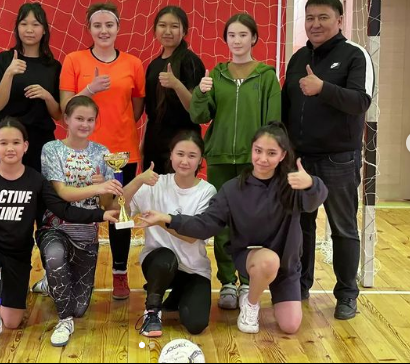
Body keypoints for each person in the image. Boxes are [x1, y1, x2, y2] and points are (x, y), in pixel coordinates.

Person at [140, 122, 328, 334]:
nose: (263, 158)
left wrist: (311, 183)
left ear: (282, 155)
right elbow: (204, 225)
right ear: (252, 150)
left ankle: (266, 293)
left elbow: (314, 201)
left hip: (287, 266)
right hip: (252, 258)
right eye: (258, 151)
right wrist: (167, 218)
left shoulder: (292, 184)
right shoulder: (232, 189)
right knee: (268, 260)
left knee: (290, 326)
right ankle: (251, 304)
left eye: (271, 153)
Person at [0, 117, 118, 346]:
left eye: (16, 142)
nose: (10, 148)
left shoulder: (36, 180)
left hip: (18, 252)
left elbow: (63, 210)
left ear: (25, 146)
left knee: (13, 322)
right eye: (3, 143)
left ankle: (1, 283)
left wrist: (101, 215)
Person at [282, 0, 374, 320]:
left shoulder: (355, 55)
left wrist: (323, 88)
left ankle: (347, 294)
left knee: (343, 228)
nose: (315, 24)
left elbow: (361, 102)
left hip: (339, 161)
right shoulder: (298, 58)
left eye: (323, 17)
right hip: (301, 160)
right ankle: (300, 286)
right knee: (301, 227)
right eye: (310, 18)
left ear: (339, 20)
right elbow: (287, 107)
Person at [190, 13, 281, 310]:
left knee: (251, 222)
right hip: (218, 159)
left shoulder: (266, 76)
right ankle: (228, 281)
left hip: (253, 162)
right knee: (222, 222)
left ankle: (248, 280)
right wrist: (200, 93)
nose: (237, 40)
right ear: (226, 39)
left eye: (243, 35)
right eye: (232, 35)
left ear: (253, 38)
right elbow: (199, 115)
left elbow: (273, 123)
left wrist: (265, 158)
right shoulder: (216, 75)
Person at [59, 2, 145, 300]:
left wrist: (115, 129)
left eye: (109, 25)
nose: (104, 30)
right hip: (82, 152)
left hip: (122, 154)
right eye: (97, 25)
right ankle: (77, 272)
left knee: (119, 215)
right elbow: (65, 108)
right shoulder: (74, 60)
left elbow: (136, 109)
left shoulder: (133, 63)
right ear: (89, 29)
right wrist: (90, 90)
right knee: (80, 213)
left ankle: (120, 273)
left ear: (118, 28)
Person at [34, 96, 124, 347]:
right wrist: (96, 188)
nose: (85, 124)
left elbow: (106, 204)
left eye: (90, 119)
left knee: (80, 307)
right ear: (66, 119)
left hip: (86, 233)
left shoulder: (102, 153)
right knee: (55, 257)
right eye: (79, 118)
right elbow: (62, 193)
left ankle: (51, 283)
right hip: (55, 226)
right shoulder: (51, 149)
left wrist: (105, 188)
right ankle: (64, 321)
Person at [119, 130, 216, 338]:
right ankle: (152, 311)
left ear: (201, 160)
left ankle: (177, 296)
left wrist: (161, 221)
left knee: (196, 324)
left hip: (193, 269)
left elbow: (193, 235)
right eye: (180, 154)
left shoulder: (207, 192)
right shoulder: (154, 184)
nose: (185, 161)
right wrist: (137, 180)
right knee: (165, 259)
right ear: (171, 154)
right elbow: (118, 210)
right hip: (159, 262)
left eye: (192, 156)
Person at [0, 2, 62, 173]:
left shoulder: (53, 66)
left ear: (44, 30)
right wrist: (9, 74)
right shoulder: (4, 59)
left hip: (41, 140)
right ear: (17, 28)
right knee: (10, 187)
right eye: (24, 24)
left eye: (35, 24)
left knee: (41, 187)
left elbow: (58, 114)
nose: (29, 30)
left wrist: (47, 96)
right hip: (10, 139)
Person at [142, 6, 205, 173]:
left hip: (182, 143)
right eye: (162, 25)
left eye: (174, 26)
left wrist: (176, 84)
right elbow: (151, 112)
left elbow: (195, 109)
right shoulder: (153, 65)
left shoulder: (190, 61)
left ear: (184, 31)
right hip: (154, 141)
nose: (168, 31)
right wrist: (143, 144)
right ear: (155, 29)